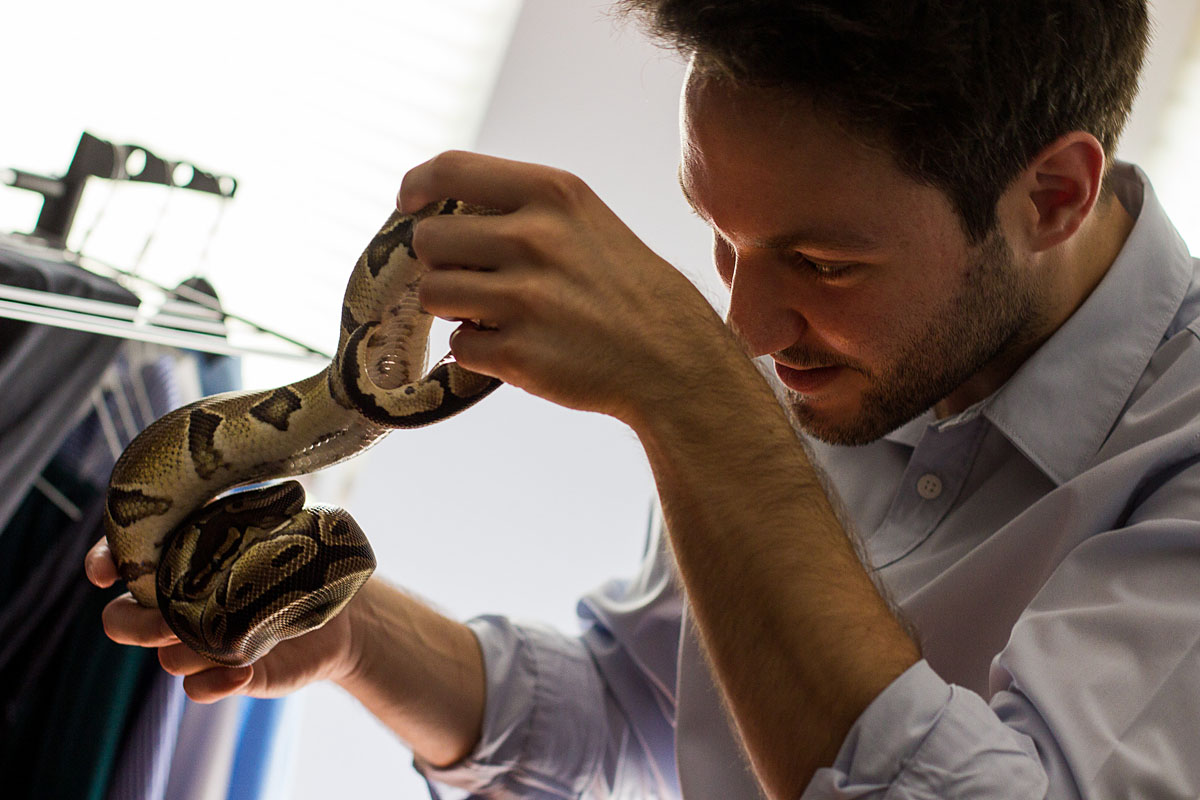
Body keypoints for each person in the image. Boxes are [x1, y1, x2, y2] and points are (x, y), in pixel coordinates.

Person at [84, 1, 1200, 797]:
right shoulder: (825, 357)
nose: (746, 332)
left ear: (1053, 195)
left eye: (823, 263)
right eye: (718, 236)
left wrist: (696, 397)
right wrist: (352, 632)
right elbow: (643, 714)